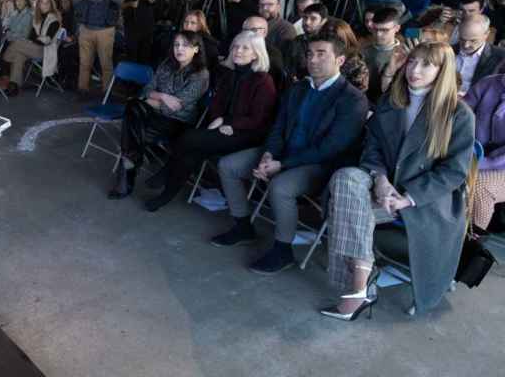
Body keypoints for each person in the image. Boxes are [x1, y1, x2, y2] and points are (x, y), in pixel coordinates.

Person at [323, 42, 474, 319]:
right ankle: (360, 289)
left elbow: (454, 171)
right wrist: (380, 179)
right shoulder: (391, 100)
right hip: (382, 183)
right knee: (345, 179)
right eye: (413, 61)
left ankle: (358, 290)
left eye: (427, 64)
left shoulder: (459, 114)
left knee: (351, 208)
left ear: (443, 71)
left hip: (427, 196)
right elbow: (373, 146)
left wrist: (408, 196)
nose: (415, 70)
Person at [212, 33, 368, 274]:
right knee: (228, 165)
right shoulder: (298, 89)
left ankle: (283, 250)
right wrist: (268, 155)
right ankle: (243, 226)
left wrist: (281, 164)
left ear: (339, 60)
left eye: (321, 54)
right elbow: (278, 127)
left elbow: (331, 148)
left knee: (281, 187)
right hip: (283, 155)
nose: (313, 60)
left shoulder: (352, 99)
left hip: (320, 165)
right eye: (309, 54)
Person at [144, 31, 277, 210]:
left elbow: (259, 119)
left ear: (256, 54)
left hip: (248, 135)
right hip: (223, 129)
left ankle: (166, 176)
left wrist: (229, 123)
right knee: (192, 151)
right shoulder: (229, 74)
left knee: (189, 139)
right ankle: (165, 195)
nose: (238, 51)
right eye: (236, 46)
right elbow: (216, 105)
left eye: (245, 48)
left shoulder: (263, 80)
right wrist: (218, 120)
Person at [111, 30, 210, 199]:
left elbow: (176, 107)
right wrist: (163, 96)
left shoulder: (201, 74)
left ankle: (127, 175)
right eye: (176, 45)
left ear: (196, 49)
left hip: (177, 122)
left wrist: (149, 99)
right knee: (133, 106)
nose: (179, 49)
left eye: (185, 45)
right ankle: (133, 160)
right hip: (152, 112)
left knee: (133, 125)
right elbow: (147, 89)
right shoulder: (166, 65)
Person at [73, 0, 124, 96]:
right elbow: (75, 0)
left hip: (105, 30)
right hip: (86, 28)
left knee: (106, 63)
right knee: (84, 63)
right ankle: (82, 89)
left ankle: (107, 91)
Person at [463, 73, 505, 232]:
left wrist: (477, 164)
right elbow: (461, 113)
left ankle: (472, 244)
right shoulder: (488, 82)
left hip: (500, 166)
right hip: (472, 154)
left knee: (481, 186)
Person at [3, 0, 61, 96]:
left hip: (45, 51)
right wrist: (35, 38)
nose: (45, 5)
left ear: (51, 5)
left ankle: (3, 63)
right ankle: (14, 86)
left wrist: (35, 38)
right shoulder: (38, 18)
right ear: (38, 5)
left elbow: (46, 40)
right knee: (18, 56)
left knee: (17, 43)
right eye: (42, 3)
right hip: (33, 47)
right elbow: (32, 36)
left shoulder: (54, 20)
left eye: (47, 3)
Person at [454, 14, 505, 95]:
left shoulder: (501, 57)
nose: (466, 45)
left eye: (473, 40)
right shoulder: (449, 50)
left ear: (486, 34)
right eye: (462, 39)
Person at [361, 7, 402, 102]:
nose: (378, 34)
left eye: (384, 30)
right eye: (375, 29)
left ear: (397, 28)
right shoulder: (363, 49)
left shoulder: (403, 54)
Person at [282, 3, 329, 81]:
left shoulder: (329, 43)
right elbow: (287, 67)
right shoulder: (296, 41)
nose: (307, 22)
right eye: (305, 17)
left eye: (313, 19)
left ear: (323, 21)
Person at [122, 0, 158, 65]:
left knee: (144, 57)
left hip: (146, 26)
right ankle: (130, 78)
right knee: (130, 56)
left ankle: (141, 79)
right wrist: (130, 4)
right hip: (130, 26)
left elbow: (156, 2)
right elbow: (120, 5)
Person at [241, 15, 286, 91]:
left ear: (265, 32)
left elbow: (276, 84)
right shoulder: (238, 48)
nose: (248, 33)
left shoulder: (273, 54)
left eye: (253, 30)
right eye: (245, 30)